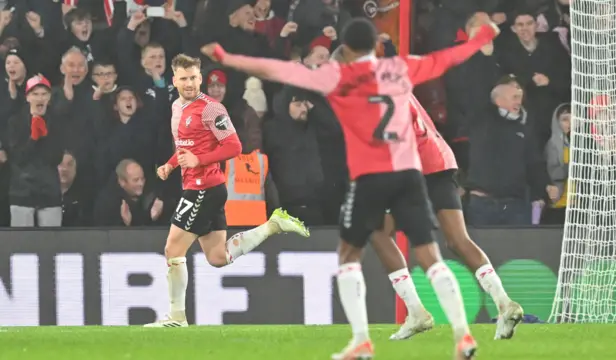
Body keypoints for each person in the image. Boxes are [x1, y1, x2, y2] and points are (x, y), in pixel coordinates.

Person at [203, 16, 499, 360]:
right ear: (376, 45)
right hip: (408, 175)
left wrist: (227, 57)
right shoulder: (400, 68)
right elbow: (446, 59)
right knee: (430, 255)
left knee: (348, 257)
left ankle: (361, 340)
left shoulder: (337, 76)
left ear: (344, 50)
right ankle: (462, 336)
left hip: (371, 178)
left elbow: (277, 70)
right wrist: (481, 40)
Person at [329, 45, 523, 342]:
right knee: (458, 240)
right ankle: (505, 303)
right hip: (439, 159)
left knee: (378, 232)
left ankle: (417, 311)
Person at [144, 54, 310, 328]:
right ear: (174, 80)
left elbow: (233, 146)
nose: (189, 83)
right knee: (217, 257)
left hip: (204, 187)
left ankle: (176, 318)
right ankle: (272, 226)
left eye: (194, 78)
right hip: (202, 186)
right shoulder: (176, 107)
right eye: (184, 78)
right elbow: (186, 145)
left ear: (200, 78)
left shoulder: (212, 109)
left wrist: (199, 161)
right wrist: (171, 165)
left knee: (172, 248)